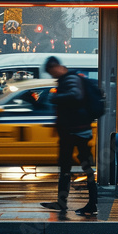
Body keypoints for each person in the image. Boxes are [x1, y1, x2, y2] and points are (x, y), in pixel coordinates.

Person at [40, 56, 97, 216]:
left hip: (77, 131)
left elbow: (75, 95)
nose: (52, 76)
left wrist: (56, 97)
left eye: (51, 72)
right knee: (66, 166)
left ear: (56, 67)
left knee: (84, 167)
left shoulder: (71, 79)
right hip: (72, 130)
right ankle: (62, 202)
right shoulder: (67, 79)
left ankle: (92, 203)